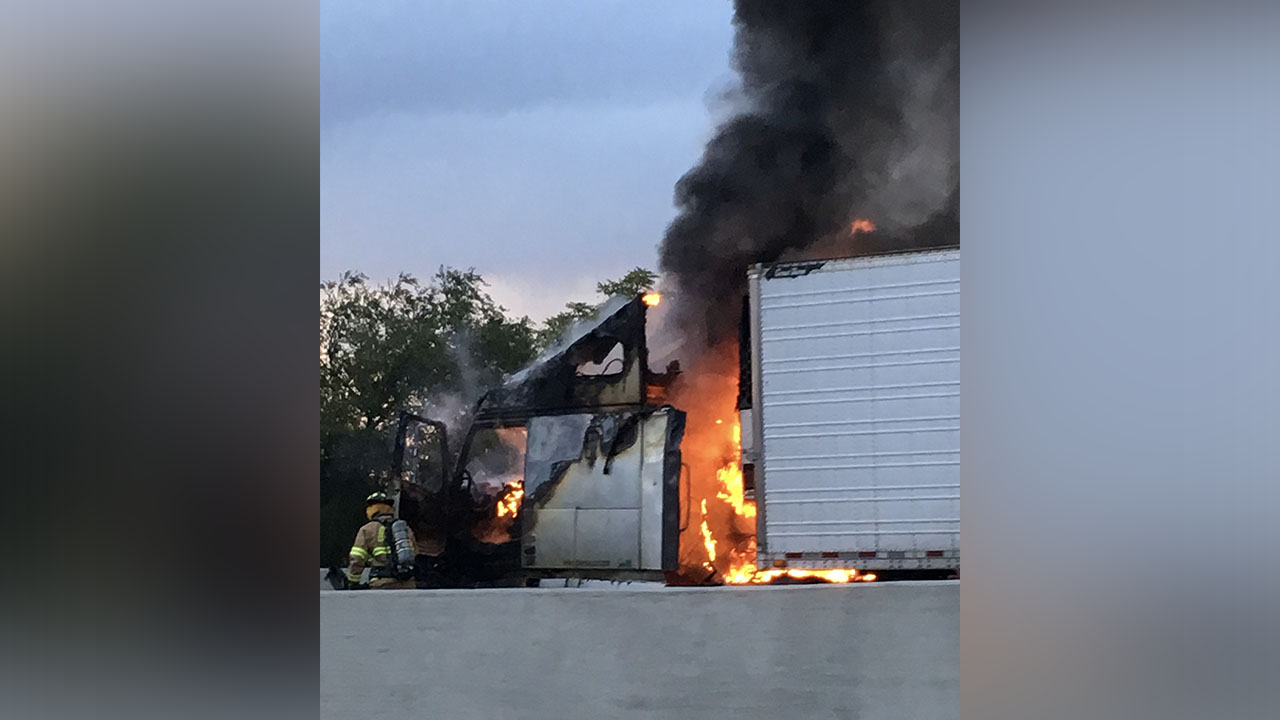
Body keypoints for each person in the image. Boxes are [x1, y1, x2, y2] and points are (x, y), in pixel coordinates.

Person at [345, 491, 417, 589]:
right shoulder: (404, 528)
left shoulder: (367, 529)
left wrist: (353, 582)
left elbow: (357, 559)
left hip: (382, 583)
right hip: (407, 584)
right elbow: (415, 553)